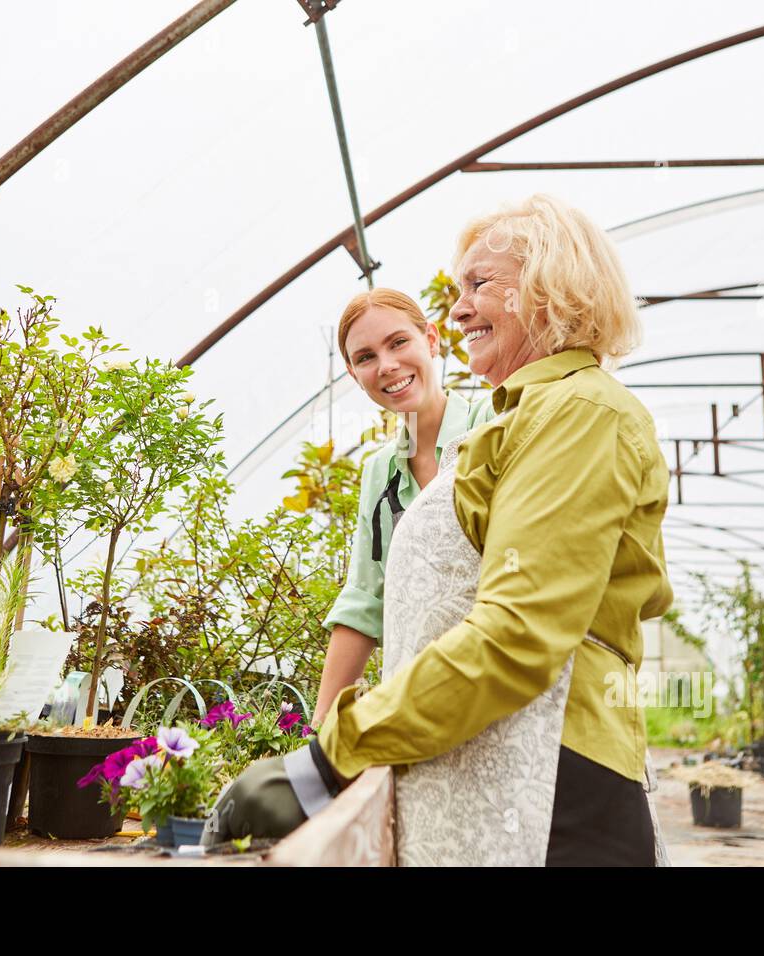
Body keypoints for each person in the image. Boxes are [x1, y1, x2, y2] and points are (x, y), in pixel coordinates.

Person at [205, 195, 674, 866]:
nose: (456, 311)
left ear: (549, 287)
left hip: (553, 784)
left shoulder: (579, 413)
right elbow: (367, 608)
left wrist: (323, 762)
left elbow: (517, 636)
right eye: (458, 290)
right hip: (492, 763)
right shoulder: (521, 418)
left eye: (478, 285)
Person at [310, 287, 496, 729]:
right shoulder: (380, 474)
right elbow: (365, 598)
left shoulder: (491, 422)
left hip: (497, 680)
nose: (387, 366)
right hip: (420, 703)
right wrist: (317, 731)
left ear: (431, 340)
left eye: (398, 343)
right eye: (366, 357)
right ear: (355, 375)